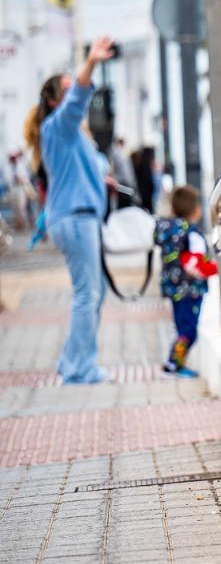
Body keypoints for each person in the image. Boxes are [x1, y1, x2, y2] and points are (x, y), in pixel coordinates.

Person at [23, 37, 117, 384]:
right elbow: (77, 100)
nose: (77, 89)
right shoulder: (58, 127)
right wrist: (91, 63)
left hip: (79, 217)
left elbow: (77, 171)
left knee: (94, 292)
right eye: (66, 89)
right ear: (53, 101)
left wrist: (101, 183)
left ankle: (71, 361)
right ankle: (80, 369)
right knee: (86, 293)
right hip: (76, 219)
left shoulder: (69, 136)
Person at [155, 185, 217, 377]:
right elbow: (195, 263)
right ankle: (173, 364)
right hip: (191, 290)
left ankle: (175, 363)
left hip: (173, 289)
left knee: (182, 327)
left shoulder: (168, 230)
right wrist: (212, 269)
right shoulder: (192, 233)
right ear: (197, 210)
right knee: (189, 331)